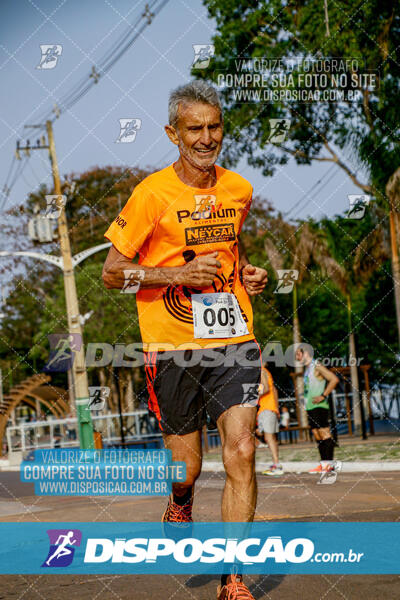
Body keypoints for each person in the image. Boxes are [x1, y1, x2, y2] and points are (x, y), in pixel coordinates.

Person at [102, 81, 268, 600]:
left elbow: (229, 252)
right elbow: (112, 274)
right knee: (189, 465)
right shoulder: (151, 194)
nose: (206, 137)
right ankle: (180, 496)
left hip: (233, 337)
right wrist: (173, 277)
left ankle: (233, 578)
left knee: (241, 449)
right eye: (194, 128)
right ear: (173, 133)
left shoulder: (237, 190)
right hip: (172, 346)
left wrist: (248, 274)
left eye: (214, 126)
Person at [295, 345, 339, 474]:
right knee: (316, 434)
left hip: (320, 406)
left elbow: (334, 379)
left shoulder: (317, 365)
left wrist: (323, 395)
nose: (297, 357)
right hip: (311, 406)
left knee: (324, 433)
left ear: (306, 353)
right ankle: (323, 464)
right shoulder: (307, 369)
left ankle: (329, 465)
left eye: (298, 354)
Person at [257, 365, 283, 476]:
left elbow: (266, 388)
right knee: (270, 437)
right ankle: (275, 464)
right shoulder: (264, 371)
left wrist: (252, 396)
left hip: (266, 408)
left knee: (269, 438)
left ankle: (277, 465)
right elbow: (274, 390)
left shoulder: (261, 370)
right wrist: (276, 408)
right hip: (268, 408)